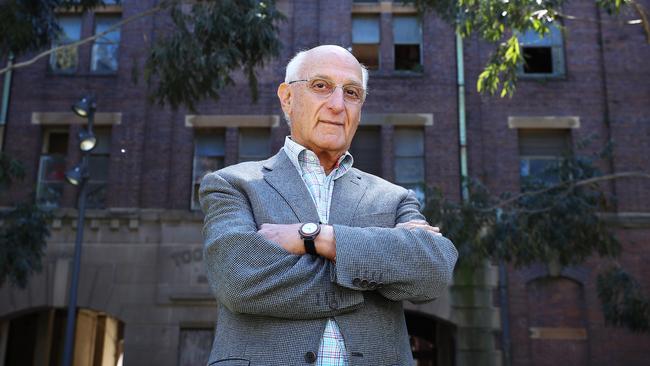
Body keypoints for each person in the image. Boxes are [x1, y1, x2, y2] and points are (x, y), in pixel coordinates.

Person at [199, 45, 458, 366]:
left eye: (352, 92)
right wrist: (371, 278)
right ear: (287, 97)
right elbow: (239, 281)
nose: (337, 105)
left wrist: (319, 238)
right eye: (320, 86)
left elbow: (432, 272)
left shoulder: (394, 198)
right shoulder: (233, 184)